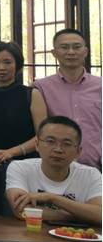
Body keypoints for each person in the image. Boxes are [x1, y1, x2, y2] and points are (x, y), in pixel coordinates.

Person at [0, 42, 48, 215]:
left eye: (7, 62)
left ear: (18, 65)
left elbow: (43, 136)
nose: (1, 67)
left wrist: (10, 152)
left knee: (21, 215)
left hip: (24, 166)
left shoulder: (31, 94)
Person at [6, 116, 101, 226]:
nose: (58, 149)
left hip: (76, 236)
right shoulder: (20, 167)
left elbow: (100, 215)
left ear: (78, 151)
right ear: (37, 145)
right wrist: (81, 216)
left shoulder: (91, 174)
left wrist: (51, 198)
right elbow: (21, 210)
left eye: (67, 144)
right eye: (50, 141)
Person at [34, 28, 101, 170]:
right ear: (54, 53)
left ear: (85, 51)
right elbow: (39, 130)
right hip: (58, 168)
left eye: (76, 47)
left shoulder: (100, 86)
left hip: (98, 166)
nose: (71, 52)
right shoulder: (41, 88)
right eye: (64, 47)